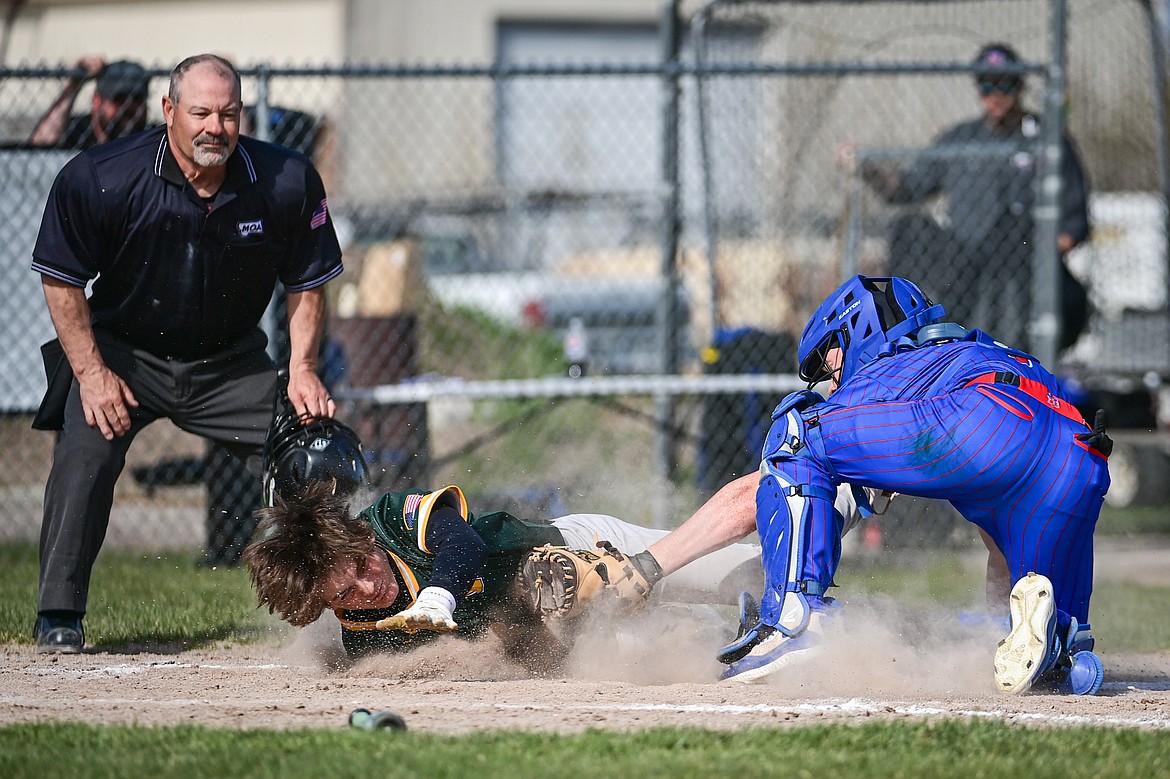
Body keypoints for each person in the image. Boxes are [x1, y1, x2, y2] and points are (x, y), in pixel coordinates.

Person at [627, 275, 1111, 695]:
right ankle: (1054, 648)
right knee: (1045, 627)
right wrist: (996, 616)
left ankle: (797, 623)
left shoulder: (890, 364)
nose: (831, 384)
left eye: (826, 364)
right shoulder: (978, 351)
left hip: (983, 423)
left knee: (798, 429)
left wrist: (646, 567)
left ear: (855, 330)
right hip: (1077, 457)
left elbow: (755, 492)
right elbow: (1001, 522)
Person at [28, 53, 344, 654]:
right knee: (83, 459)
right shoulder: (102, 176)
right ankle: (58, 615)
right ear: (169, 111)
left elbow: (308, 281)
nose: (214, 128)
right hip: (124, 359)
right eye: (200, 112)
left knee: (317, 452)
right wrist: (91, 374)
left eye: (227, 114)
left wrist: (302, 369)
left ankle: (348, 608)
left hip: (229, 366)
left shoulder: (285, 179)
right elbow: (61, 279)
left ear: (242, 116)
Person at [242, 413, 763, 668]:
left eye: (359, 564)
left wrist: (440, 590)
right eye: (344, 594)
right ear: (323, 607)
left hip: (577, 547)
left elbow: (462, 544)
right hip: (558, 623)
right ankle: (733, 630)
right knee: (652, 650)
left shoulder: (387, 521)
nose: (366, 585)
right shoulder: (362, 629)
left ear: (358, 537)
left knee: (751, 572)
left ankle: (834, 492)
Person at [845, 43, 1091, 353]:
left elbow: (1073, 225)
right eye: (987, 85)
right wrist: (867, 168)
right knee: (910, 228)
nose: (996, 94)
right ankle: (904, 337)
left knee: (1012, 231)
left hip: (1021, 271)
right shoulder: (962, 138)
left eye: (1005, 84)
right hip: (964, 264)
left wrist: (1040, 259)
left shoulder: (1046, 139)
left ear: (1020, 86)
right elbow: (905, 188)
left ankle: (1007, 354)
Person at [28, 56, 151, 149]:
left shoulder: (152, 138)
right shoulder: (78, 130)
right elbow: (41, 146)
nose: (128, 106)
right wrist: (73, 86)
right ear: (97, 101)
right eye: (119, 98)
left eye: (137, 98)